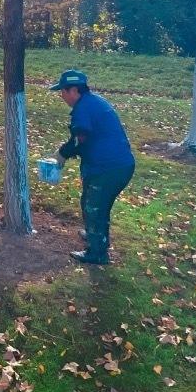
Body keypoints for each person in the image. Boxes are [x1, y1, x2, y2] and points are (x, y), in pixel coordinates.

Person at [50, 69, 135, 265]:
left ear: (73, 90)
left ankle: (97, 253)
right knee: (94, 204)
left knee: (94, 208)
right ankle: (94, 234)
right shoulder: (92, 102)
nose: (61, 96)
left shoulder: (83, 109)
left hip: (109, 168)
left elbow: (80, 139)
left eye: (63, 91)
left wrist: (63, 153)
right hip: (117, 165)